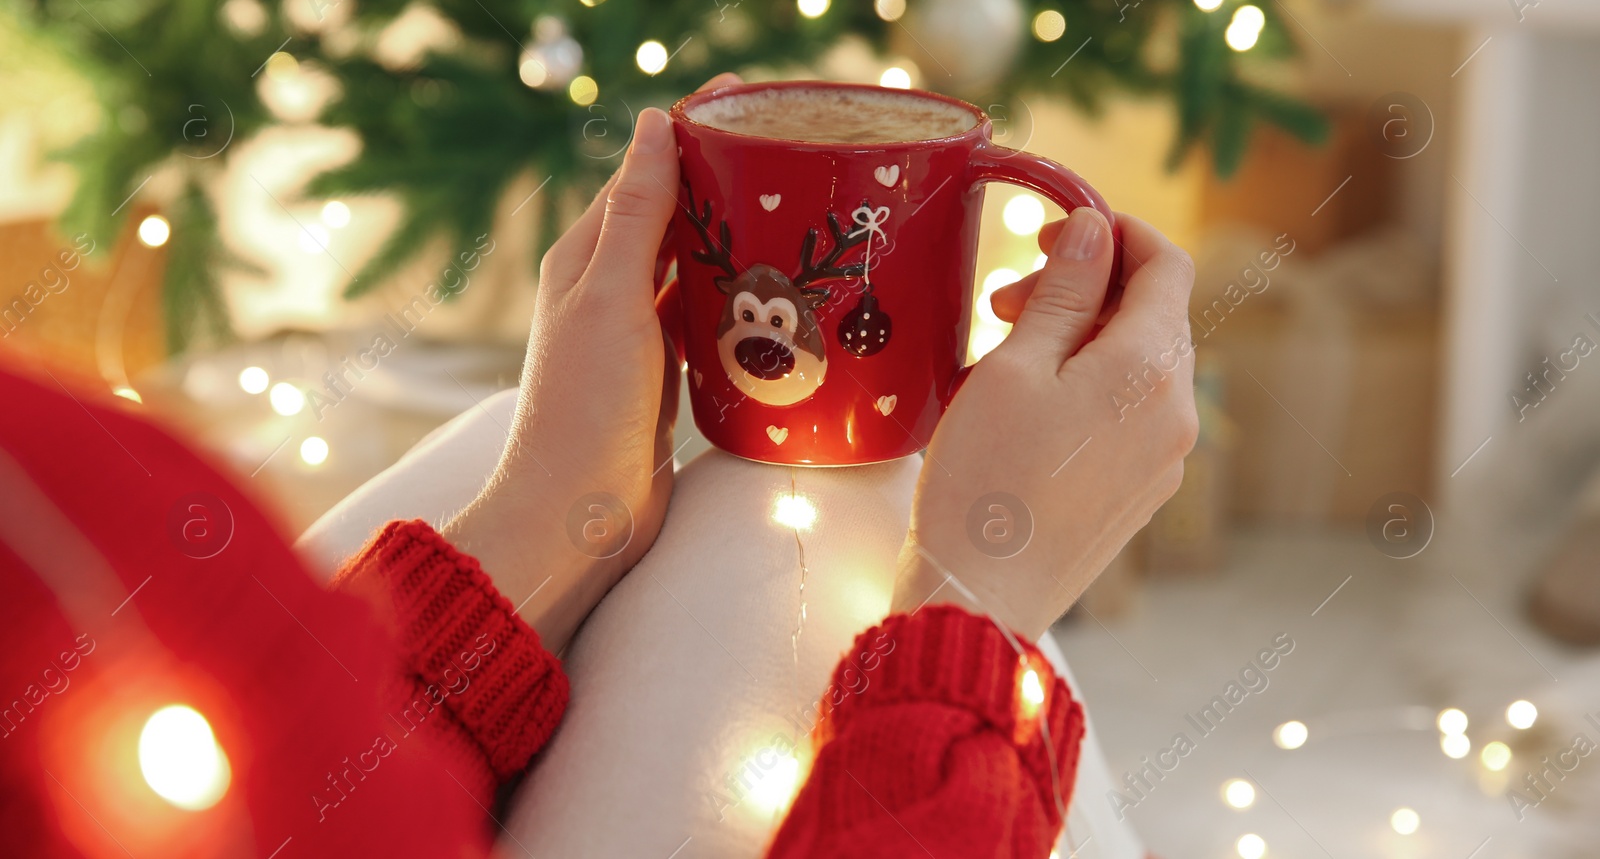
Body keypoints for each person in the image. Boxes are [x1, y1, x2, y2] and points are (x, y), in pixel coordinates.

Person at [0, 76, 1196, 858]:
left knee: (506, 435)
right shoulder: (60, 525)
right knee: (820, 514)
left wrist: (557, 516)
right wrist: (979, 603)